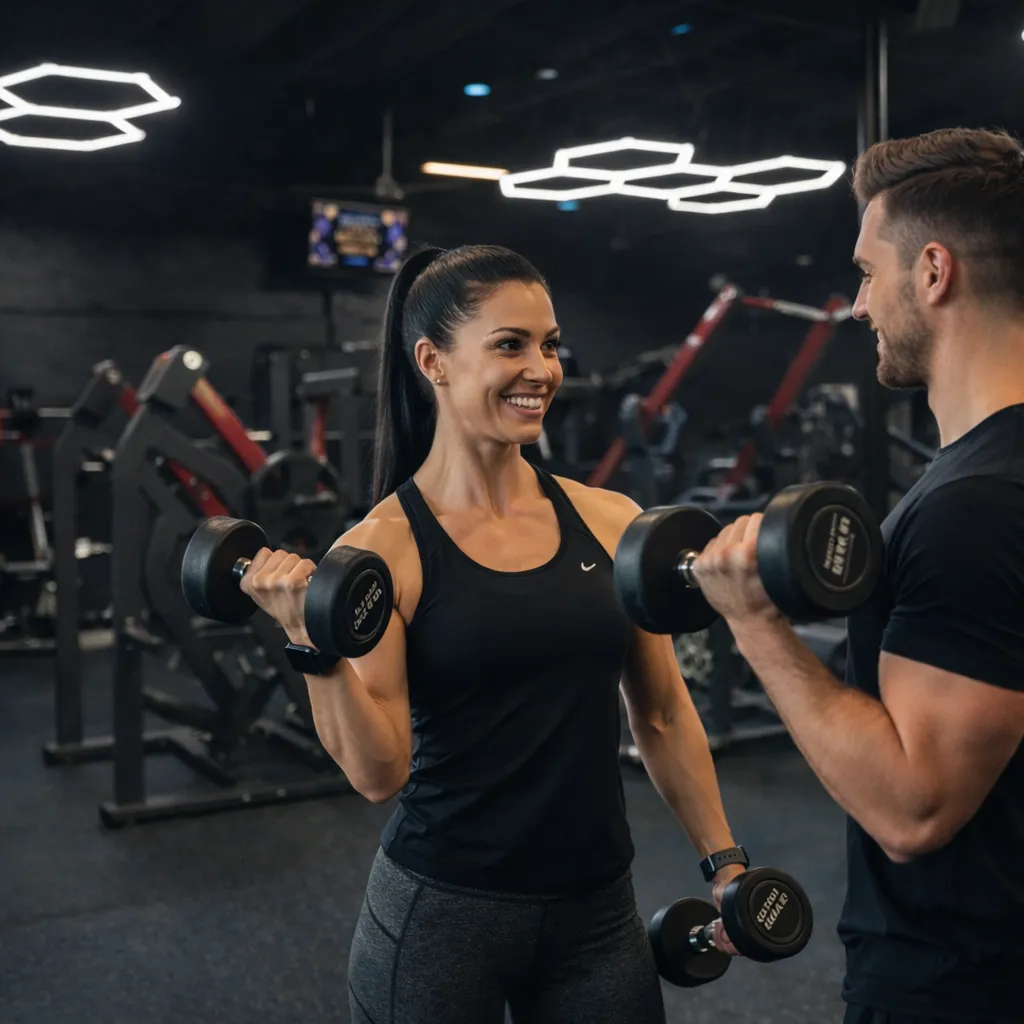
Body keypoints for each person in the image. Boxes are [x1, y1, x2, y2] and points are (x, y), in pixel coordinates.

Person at [238, 244, 749, 1023]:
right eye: (510, 344)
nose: (541, 368)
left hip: (597, 909)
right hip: (444, 914)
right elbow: (380, 774)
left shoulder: (609, 521)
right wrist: (312, 645)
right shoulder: (382, 550)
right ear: (433, 361)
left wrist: (724, 862)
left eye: (548, 344)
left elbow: (664, 713)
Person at [691, 127, 1024, 1023]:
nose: (857, 305)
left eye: (869, 273)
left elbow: (915, 810)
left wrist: (754, 622)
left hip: (957, 983)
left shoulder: (977, 505)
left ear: (933, 273)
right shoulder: (988, 479)